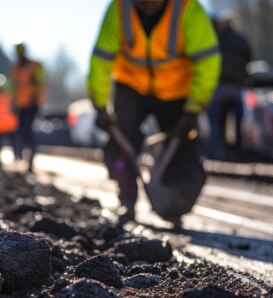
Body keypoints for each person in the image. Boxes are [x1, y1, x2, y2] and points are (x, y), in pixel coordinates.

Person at [88, 0, 221, 222]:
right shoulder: (119, 9)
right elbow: (101, 61)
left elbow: (207, 62)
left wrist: (194, 108)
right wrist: (100, 105)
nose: (149, 4)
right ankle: (127, 200)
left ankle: (174, 203)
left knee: (181, 146)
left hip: (175, 90)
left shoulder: (188, 9)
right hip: (130, 85)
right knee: (122, 139)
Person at [207, 10, 252, 160]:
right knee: (238, 123)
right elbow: (249, 60)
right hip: (237, 87)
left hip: (219, 87)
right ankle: (238, 153)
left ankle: (216, 153)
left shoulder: (217, 39)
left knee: (216, 123)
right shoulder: (242, 40)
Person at [11, 42, 45, 172]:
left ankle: (31, 159)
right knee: (21, 131)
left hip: (32, 104)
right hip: (20, 105)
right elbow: (13, 87)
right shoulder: (15, 67)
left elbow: (40, 83)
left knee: (27, 129)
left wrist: (36, 98)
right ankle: (23, 155)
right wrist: (13, 103)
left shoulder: (34, 65)